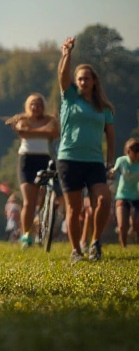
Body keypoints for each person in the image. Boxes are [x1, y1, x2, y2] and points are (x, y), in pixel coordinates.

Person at [56, 38, 115, 262]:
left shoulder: (104, 108)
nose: (82, 82)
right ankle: (75, 251)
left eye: (86, 78)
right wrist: (67, 54)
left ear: (94, 81)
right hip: (69, 159)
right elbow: (62, 76)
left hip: (94, 161)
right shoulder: (70, 98)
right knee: (74, 208)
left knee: (104, 199)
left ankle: (95, 242)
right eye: (79, 78)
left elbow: (110, 136)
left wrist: (110, 162)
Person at [5, 93, 59, 248]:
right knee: (29, 200)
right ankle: (26, 235)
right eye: (33, 104)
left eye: (39, 104)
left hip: (44, 160)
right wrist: (44, 132)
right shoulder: (23, 119)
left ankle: (39, 229)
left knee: (42, 200)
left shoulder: (50, 120)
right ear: (28, 106)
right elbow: (24, 132)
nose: (36, 107)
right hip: (26, 161)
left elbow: (54, 134)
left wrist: (33, 132)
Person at [110, 139, 139, 248]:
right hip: (122, 195)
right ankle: (124, 246)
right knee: (122, 225)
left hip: (136, 197)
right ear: (128, 151)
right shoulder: (122, 160)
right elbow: (115, 168)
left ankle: (135, 237)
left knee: (136, 223)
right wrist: (112, 172)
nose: (136, 154)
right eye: (134, 150)